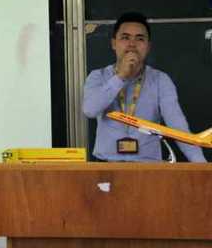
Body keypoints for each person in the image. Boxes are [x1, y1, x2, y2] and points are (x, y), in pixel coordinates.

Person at [82, 12, 207, 162]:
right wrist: (121, 76)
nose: (132, 44)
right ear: (114, 43)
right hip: (107, 166)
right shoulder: (98, 76)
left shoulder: (161, 80)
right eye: (125, 37)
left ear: (148, 47)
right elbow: (90, 110)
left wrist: (202, 166)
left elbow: (178, 127)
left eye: (140, 39)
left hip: (148, 167)